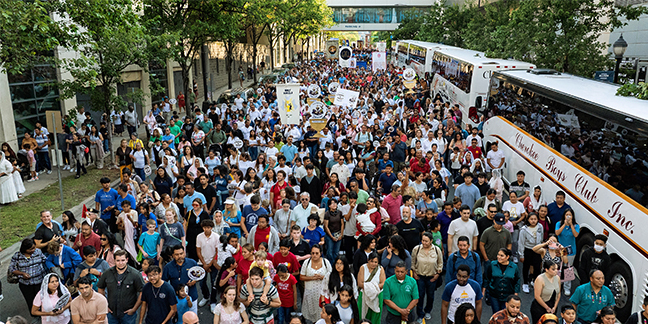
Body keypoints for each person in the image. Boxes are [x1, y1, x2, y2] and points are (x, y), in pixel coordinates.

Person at [97, 250, 144, 324]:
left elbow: (142, 292)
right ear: (114, 260)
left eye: (123, 260)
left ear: (127, 260)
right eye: (118, 260)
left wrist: (134, 309)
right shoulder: (107, 273)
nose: (120, 263)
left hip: (128, 315)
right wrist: (105, 305)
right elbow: (100, 288)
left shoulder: (135, 274)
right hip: (111, 313)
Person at [411, 232, 443, 323]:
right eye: (423, 240)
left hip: (431, 277)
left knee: (431, 295)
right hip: (420, 277)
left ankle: (428, 311)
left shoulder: (436, 250)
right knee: (420, 296)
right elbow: (413, 262)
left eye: (426, 241)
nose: (424, 243)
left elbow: (440, 263)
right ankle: (420, 314)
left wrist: (437, 274)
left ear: (431, 241)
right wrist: (414, 272)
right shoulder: (417, 249)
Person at [10, 238, 48, 309]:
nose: (33, 250)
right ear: (24, 249)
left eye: (34, 248)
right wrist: (22, 273)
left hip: (39, 281)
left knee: (41, 300)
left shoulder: (38, 252)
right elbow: (12, 269)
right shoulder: (17, 256)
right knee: (31, 301)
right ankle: (34, 314)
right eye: (30, 249)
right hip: (25, 284)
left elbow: (45, 260)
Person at [162, 246, 199, 314]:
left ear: (184, 253)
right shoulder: (168, 267)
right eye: (177, 254)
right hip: (176, 300)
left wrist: (195, 280)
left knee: (192, 319)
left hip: (192, 296)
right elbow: (164, 282)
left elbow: (199, 275)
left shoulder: (192, 263)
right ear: (172, 255)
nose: (180, 256)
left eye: (181, 253)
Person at [300, 244, 332, 322]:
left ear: (320, 253)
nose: (314, 255)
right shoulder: (306, 262)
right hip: (310, 293)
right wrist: (312, 278)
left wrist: (322, 277)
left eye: (316, 253)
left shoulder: (325, 262)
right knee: (311, 314)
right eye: (313, 253)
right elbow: (301, 277)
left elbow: (331, 277)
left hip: (322, 294)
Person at [483, 248, 521, 313]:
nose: (498, 257)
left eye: (501, 255)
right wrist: (484, 291)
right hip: (494, 294)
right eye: (498, 255)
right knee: (496, 314)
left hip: (508, 295)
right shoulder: (492, 264)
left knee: (505, 314)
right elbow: (487, 278)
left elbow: (517, 280)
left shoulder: (514, 267)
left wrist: (516, 294)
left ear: (507, 257)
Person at [555, 209, 579, 296]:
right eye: (566, 215)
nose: (568, 216)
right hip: (560, 249)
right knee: (558, 267)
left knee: (568, 268)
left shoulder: (576, 226)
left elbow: (576, 235)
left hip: (571, 251)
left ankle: (567, 287)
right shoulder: (559, 223)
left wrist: (571, 224)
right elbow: (557, 233)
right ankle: (558, 284)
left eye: (570, 215)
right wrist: (564, 224)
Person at [518, 212, 543, 294]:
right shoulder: (524, 230)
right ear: (528, 219)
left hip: (537, 250)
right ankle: (525, 283)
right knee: (526, 267)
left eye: (535, 219)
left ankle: (535, 282)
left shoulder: (540, 227)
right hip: (528, 249)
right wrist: (521, 254)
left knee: (537, 267)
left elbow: (541, 237)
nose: (533, 221)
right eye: (531, 219)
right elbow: (521, 243)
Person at [357, 251, 385, 324]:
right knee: (363, 314)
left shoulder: (380, 268)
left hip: (377, 295)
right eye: (372, 261)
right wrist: (372, 287)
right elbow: (360, 283)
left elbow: (383, 283)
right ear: (368, 260)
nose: (373, 264)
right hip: (364, 294)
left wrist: (372, 288)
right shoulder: (363, 267)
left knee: (375, 315)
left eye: (376, 262)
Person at [323, 199, 345, 263]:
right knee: (329, 252)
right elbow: (326, 226)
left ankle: (336, 265)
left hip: (338, 233)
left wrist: (341, 234)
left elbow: (342, 224)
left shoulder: (339, 213)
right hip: (330, 234)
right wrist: (331, 236)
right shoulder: (327, 214)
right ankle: (330, 266)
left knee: (336, 252)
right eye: (332, 203)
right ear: (329, 205)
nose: (334, 204)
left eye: (335, 203)